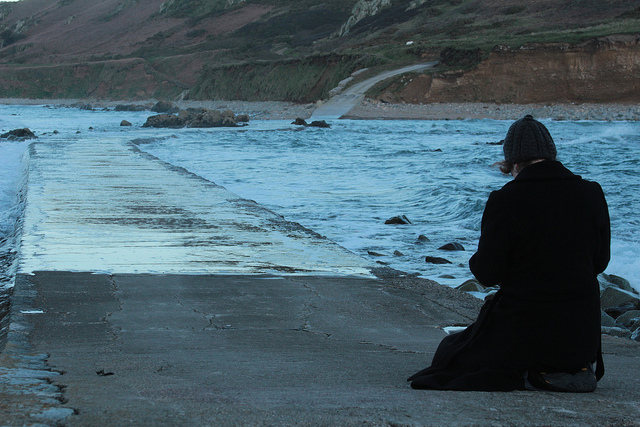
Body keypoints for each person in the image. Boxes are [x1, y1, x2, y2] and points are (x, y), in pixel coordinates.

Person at [408, 115, 611, 392]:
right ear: (551, 154)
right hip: (579, 339)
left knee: (450, 350)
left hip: (525, 334)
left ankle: (531, 371)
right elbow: (600, 262)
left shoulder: (505, 199)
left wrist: (475, 258)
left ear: (513, 162)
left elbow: (487, 273)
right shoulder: (592, 193)